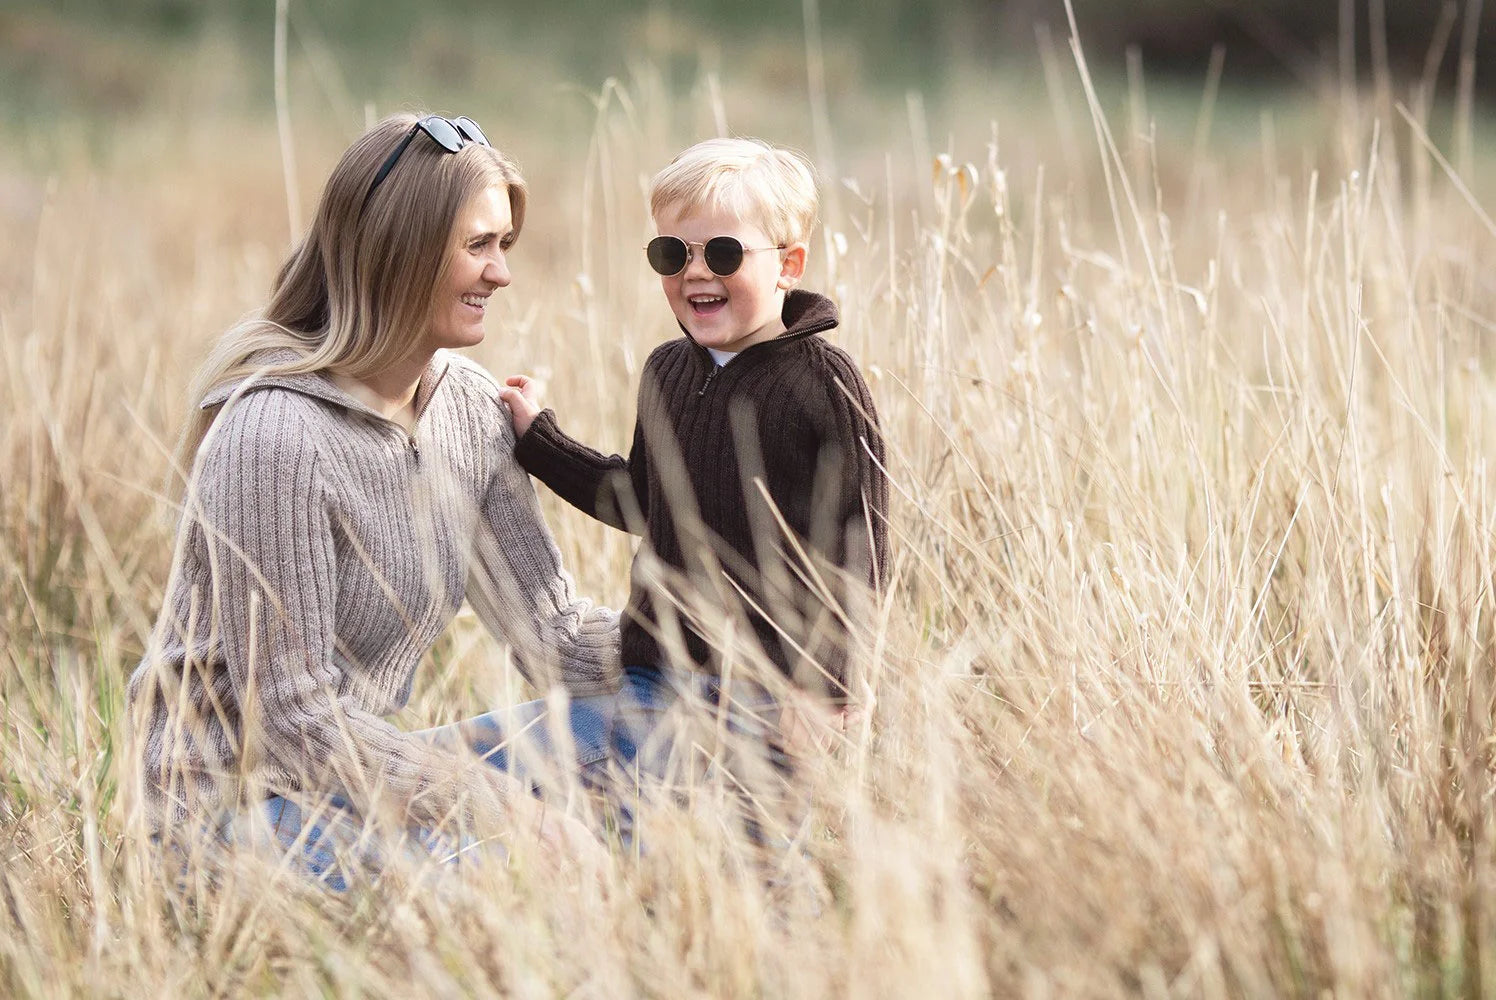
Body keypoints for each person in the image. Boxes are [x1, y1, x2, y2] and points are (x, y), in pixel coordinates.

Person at [126, 113, 620, 887]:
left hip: (356, 788)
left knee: (677, 721)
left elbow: (553, 638)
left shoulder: (470, 410)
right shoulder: (274, 432)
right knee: (502, 879)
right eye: (479, 246)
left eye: (504, 246)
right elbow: (293, 717)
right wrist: (509, 811)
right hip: (229, 814)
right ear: (403, 252)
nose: (502, 274)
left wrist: (726, 652)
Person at [499, 137, 889, 843]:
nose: (697, 273)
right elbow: (641, 501)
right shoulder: (667, 372)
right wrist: (538, 439)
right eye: (672, 255)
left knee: (757, 865)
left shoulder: (824, 385)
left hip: (767, 699)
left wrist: (826, 688)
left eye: (725, 254)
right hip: (655, 676)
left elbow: (860, 548)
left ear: (788, 266)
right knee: (634, 841)